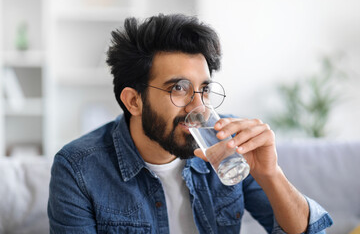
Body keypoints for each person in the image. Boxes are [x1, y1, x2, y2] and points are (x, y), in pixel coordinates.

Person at [48, 13, 333, 234]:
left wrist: (271, 175)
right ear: (133, 101)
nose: (198, 107)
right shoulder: (78, 169)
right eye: (179, 89)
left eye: (204, 90)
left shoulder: (228, 142)